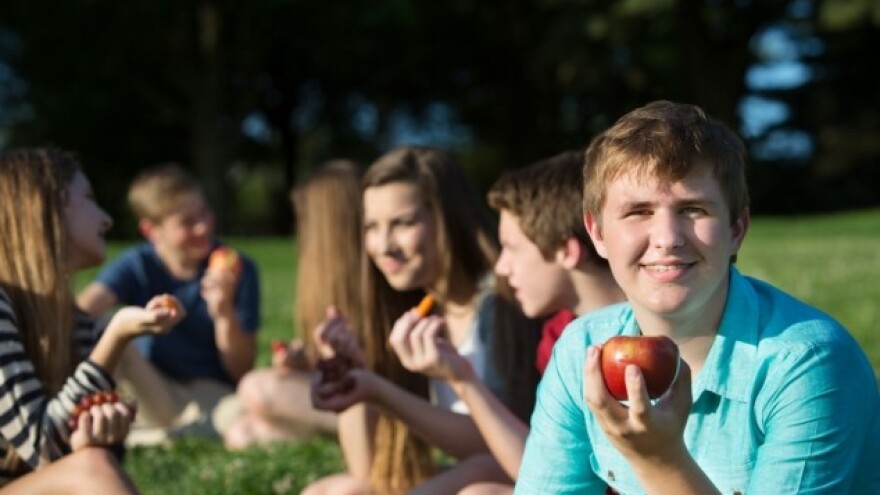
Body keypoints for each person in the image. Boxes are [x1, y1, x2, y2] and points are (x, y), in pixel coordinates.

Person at [515, 100, 880, 494]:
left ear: (737, 227)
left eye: (692, 209)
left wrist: (658, 460)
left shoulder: (805, 363)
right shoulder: (582, 350)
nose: (668, 239)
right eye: (639, 211)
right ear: (597, 233)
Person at [303, 146, 540, 495]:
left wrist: (382, 393)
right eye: (372, 226)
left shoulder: (501, 304)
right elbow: (367, 469)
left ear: (447, 218)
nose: (384, 246)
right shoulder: (411, 310)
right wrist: (354, 376)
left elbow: (500, 450)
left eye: (403, 223)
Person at [390, 150, 627, 494]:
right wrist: (461, 376)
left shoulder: (649, 331)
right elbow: (546, 469)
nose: (501, 267)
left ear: (566, 250)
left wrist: (462, 378)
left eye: (511, 248)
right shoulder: (556, 338)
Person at [0, 148, 185, 493]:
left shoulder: (75, 324)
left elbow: (63, 460)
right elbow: (43, 445)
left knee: (93, 462)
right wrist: (116, 336)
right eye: (88, 198)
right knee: (92, 468)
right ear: (45, 211)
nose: (106, 219)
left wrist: (100, 439)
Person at [77, 163, 261, 445]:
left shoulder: (240, 269)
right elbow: (80, 313)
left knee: (248, 418)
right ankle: (121, 426)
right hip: (155, 391)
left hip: (216, 393)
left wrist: (224, 314)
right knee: (107, 329)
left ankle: (152, 436)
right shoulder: (138, 264)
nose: (203, 227)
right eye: (187, 222)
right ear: (152, 230)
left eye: (204, 213)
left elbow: (241, 371)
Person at [223, 160, 363, 449]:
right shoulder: (328, 280)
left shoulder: (381, 279)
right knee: (241, 433)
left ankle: (364, 431)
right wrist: (305, 364)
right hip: (346, 398)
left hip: (379, 405)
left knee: (255, 388)